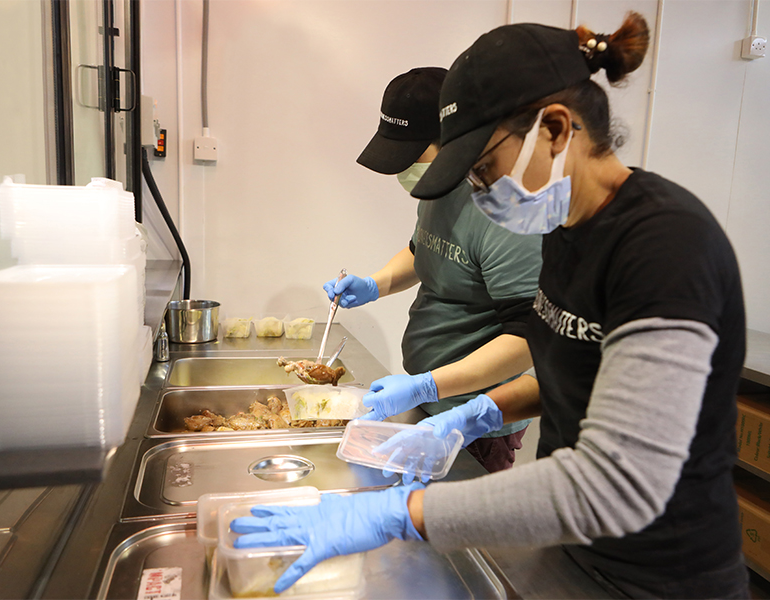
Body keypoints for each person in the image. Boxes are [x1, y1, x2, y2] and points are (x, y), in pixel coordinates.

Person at [232, 13, 750, 598]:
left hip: (663, 577)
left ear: (556, 128)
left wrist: (403, 512)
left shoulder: (666, 248)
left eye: (484, 169)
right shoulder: (566, 231)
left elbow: (615, 484)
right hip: (575, 551)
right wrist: (472, 411)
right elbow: (570, 375)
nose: (480, 191)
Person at [323, 66, 542, 473]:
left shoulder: (505, 213)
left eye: (414, 154)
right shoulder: (440, 184)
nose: (405, 169)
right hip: (427, 396)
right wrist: (376, 283)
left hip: (473, 416)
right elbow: (423, 249)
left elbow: (527, 337)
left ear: (455, 139)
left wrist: (428, 384)